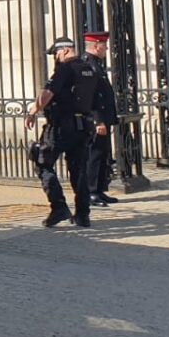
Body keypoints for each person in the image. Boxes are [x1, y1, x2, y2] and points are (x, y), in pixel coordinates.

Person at [25, 37, 109, 228]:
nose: (55, 58)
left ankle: (59, 206)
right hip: (83, 126)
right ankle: (82, 214)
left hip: (61, 127)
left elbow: (48, 93)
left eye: (55, 54)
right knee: (79, 170)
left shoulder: (65, 68)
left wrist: (32, 112)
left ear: (63, 51)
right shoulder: (90, 69)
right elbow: (97, 100)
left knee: (41, 162)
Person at [81, 31, 121, 207]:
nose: (106, 49)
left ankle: (100, 189)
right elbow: (90, 96)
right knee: (94, 156)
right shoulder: (88, 65)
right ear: (96, 46)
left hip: (104, 117)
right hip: (96, 120)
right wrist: (97, 120)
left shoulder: (96, 64)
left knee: (103, 154)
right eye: (104, 46)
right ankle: (91, 192)